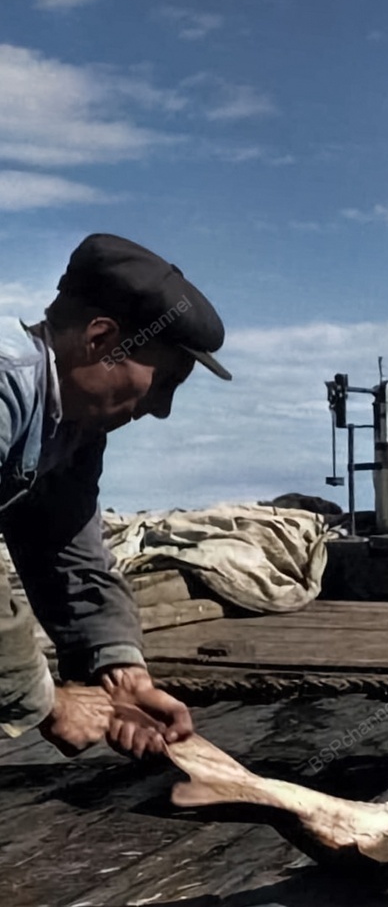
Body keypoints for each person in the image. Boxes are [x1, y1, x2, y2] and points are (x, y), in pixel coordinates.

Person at [0, 233, 232, 758]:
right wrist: (42, 699)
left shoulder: (71, 427)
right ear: (101, 340)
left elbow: (66, 550)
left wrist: (116, 668)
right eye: (163, 383)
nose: (163, 409)